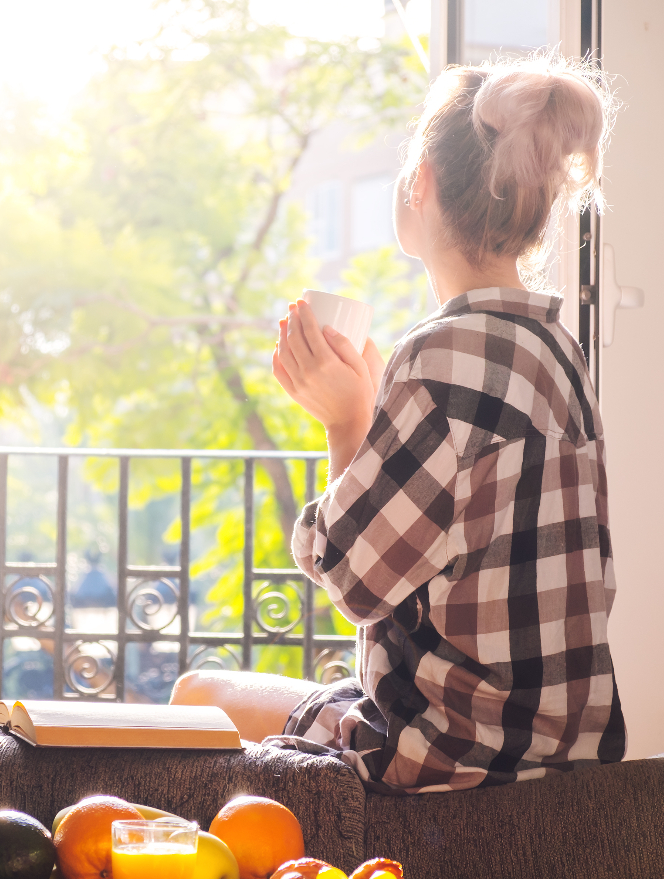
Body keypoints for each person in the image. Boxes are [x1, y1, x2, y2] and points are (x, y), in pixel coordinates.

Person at [170, 55, 627, 795]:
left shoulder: (438, 355)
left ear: (422, 185)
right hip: (566, 750)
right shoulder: (561, 352)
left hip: (448, 753)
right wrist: (385, 410)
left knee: (197, 693)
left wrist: (347, 419)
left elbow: (353, 579)